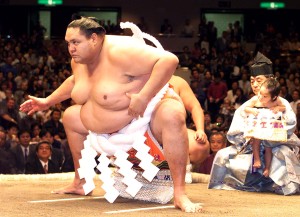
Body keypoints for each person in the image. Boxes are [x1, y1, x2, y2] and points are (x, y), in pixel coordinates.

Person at [20, 17, 202, 212]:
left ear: (94, 39)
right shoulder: (79, 61)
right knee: (72, 116)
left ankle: (180, 193)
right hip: (104, 131)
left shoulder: (120, 51)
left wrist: (143, 97)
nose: (71, 48)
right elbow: (75, 82)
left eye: (75, 42)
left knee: (172, 113)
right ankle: (80, 182)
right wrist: (47, 101)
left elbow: (169, 60)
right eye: (68, 43)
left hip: (141, 122)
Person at [208, 52, 300, 195]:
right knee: (223, 154)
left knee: (283, 154)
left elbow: (290, 124)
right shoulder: (248, 105)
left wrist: (269, 135)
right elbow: (235, 130)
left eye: (259, 80)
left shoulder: (281, 102)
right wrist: (249, 135)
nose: (255, 84)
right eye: (252, 81)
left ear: (270, 81)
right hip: (250, 145)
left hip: (276, 144)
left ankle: (276, 185)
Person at [244, 77, 286, 177]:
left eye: (265, 96)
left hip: (269, 126)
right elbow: (246, 108)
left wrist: (277, 108)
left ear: (274, 97)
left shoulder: (277, 100)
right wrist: (252, 110)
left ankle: (267, 168)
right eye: (260, 94)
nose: (261, 97)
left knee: (268, 147)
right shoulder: (256, 99)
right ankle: (257, 159)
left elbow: (283, 107)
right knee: (256, 141)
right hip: (258, 125)